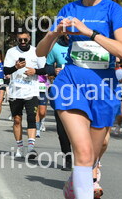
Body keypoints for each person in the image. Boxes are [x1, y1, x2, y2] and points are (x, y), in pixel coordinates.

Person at [37, 0, 122, 199]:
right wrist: (54, 32)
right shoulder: (69, 9)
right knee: (83, 151)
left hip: (103, 89)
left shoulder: (113, 11)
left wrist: (88, 31)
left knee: (91, 157)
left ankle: (74, 184)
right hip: (70, 84)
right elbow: (40, 52)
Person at [5, 31, 46, 159]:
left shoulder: (37, 51)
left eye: (25, 39)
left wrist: (35, 71)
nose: (23, 42)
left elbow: (46, 69)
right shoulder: (11, 52)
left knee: (31, 118)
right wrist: (15, 67)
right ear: (17, 40)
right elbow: (5, 70)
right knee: (17, 120)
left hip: (31, 91)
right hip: (15, 91)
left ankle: (31, 148)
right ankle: (20, 147)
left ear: (29, 39)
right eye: (20, 40)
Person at [45, 34, 72, 170]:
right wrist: (54, 71)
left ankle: (83, 159)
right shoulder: (56, 47)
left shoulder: (83, 45)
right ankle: (68, 158)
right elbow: (47, 66)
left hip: (81, 91)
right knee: (62, 129)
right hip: (61, 92)